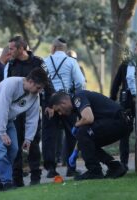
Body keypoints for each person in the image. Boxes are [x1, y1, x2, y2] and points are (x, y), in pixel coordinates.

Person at [0, 68, 49, 191]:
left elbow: (33, 118)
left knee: (14, 149)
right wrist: (2, 132)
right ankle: (7, 182)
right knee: (0, 149)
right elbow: (2, 107)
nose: (39, 91)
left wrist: (28, 139)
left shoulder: (35, 96)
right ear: (31, 81)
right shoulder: (11, 83)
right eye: (38, 87)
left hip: (7, 120)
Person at [4, 35, 54, 186]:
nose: (9, 51)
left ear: (21, 48)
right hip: (16, 111)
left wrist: (50, 105)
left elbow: (48, 83)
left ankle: (35, 177)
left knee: (32, 143)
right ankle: (17, 179)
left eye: (12, 48)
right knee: (16, 143)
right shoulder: (11, 64)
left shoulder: (38, 62)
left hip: (32, 108)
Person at [49, 91, 132, 180]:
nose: (60, 113)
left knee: (82, 132)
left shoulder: (78, 97)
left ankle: (94, 171)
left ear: (63, 103)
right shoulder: (77, 107)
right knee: (87, 139)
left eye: (58, 110)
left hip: (119, 121)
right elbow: (84, 140)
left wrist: (76, 125)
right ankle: (115, 166)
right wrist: (75, 153)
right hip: (120, 122)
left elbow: (89, 118)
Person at [43, 38, 86, 178]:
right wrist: (76, 97)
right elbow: (80, 82)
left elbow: (41, 81)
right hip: (67, 101)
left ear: (53, 47)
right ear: (64, 48)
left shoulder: (44, 61)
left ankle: (50, 168)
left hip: (49, 102)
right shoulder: (71, 61)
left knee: (50, 135)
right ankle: (70, 167)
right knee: (71, 134)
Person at [110, 60, 135, 170]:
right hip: (130, 100)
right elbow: (116, 82)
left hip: (126, 100)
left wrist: (112, 98)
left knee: (125, 132)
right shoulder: (126, 64)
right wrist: (112, 98)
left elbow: (116, 83)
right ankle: (124, 162)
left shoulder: (126, 63)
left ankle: (124, 163)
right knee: (125, 132)